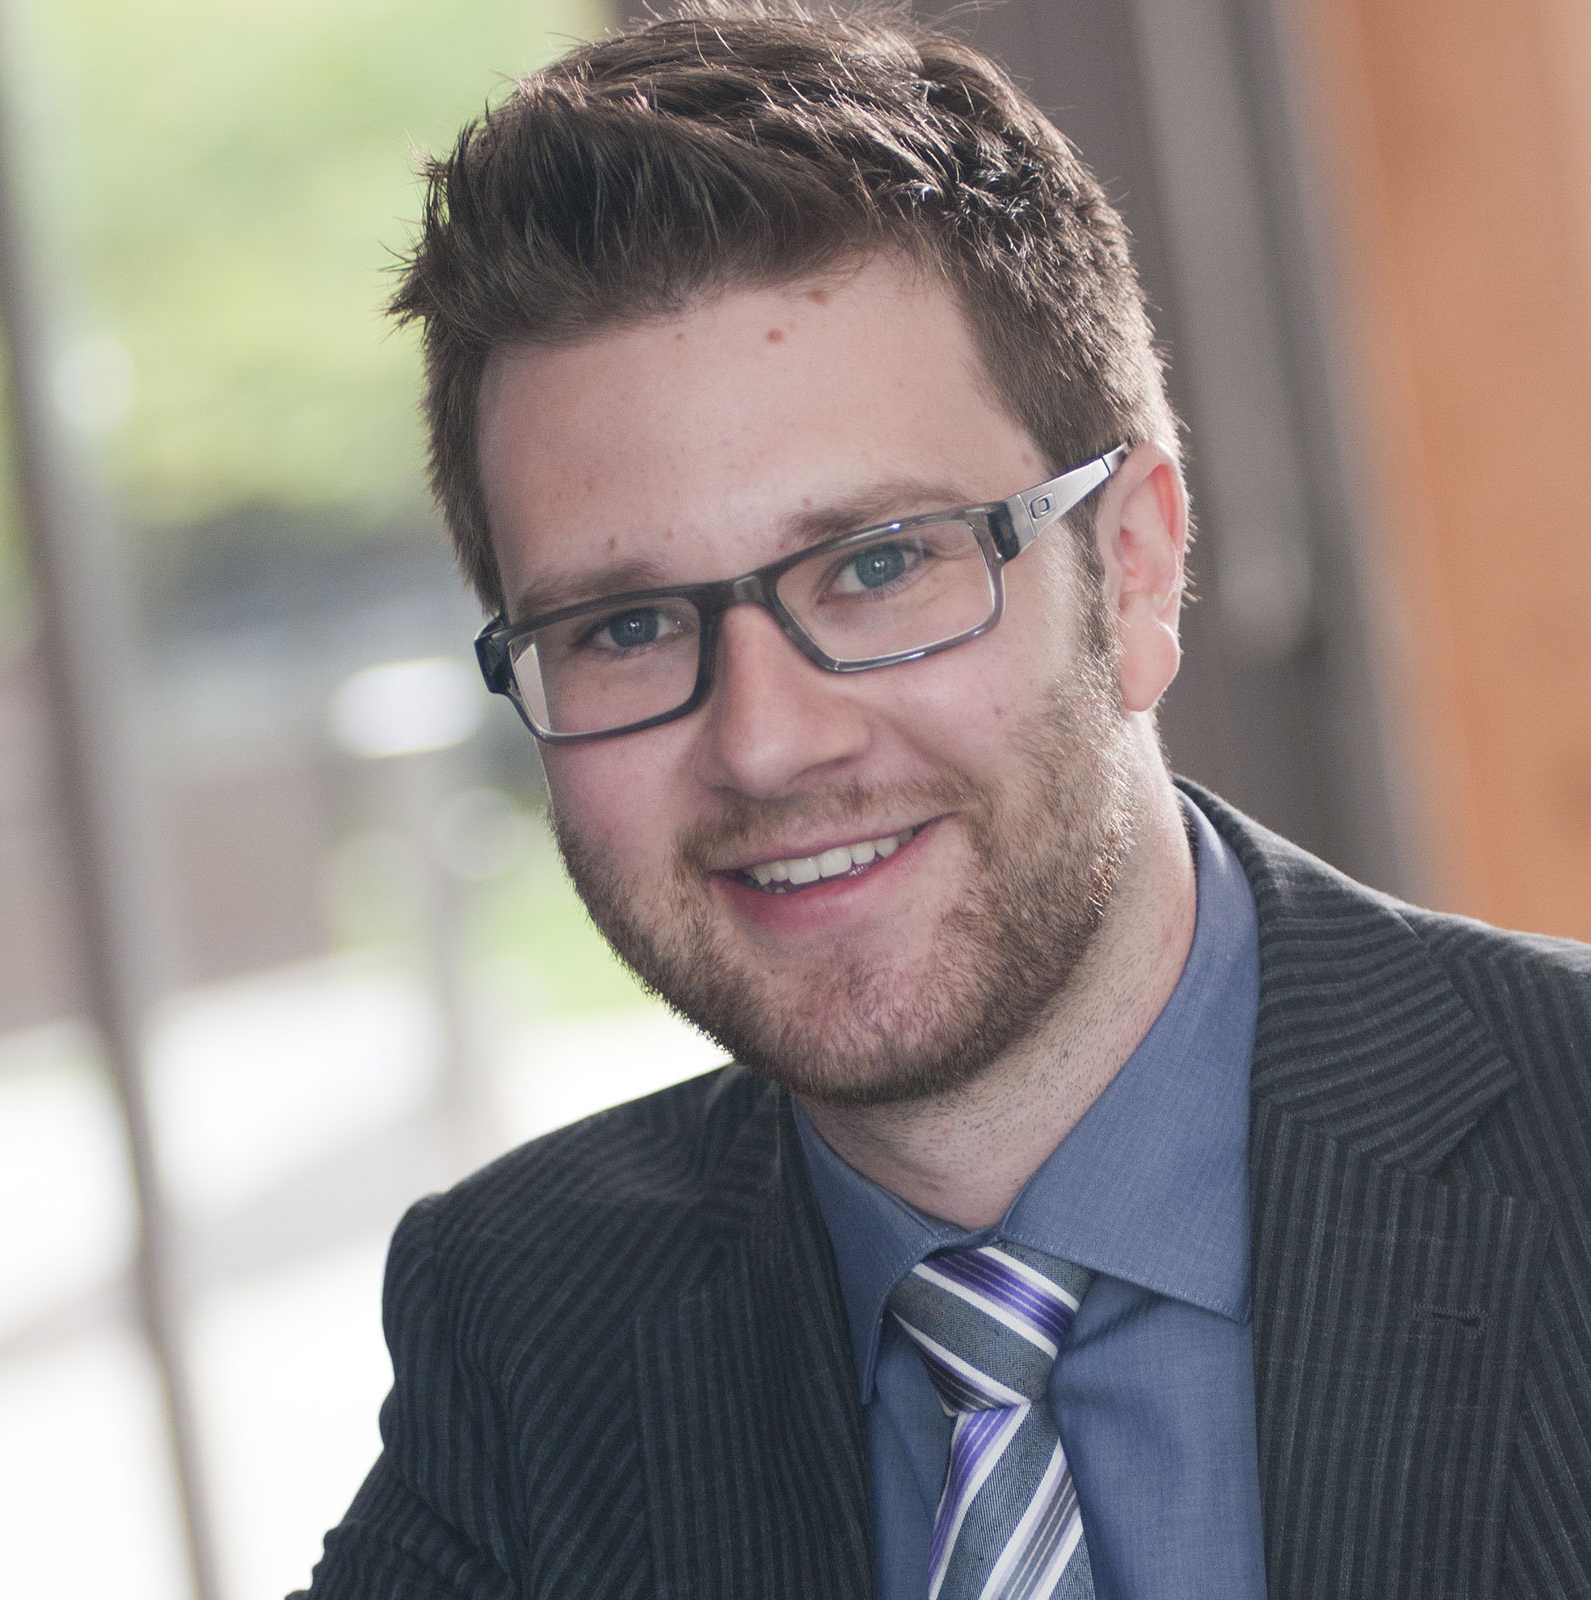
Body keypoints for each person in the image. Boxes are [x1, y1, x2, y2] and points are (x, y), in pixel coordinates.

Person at [299, 4, 1591, 1596]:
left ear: (1135, 566)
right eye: (624, 629)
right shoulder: (528, 1325)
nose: (766, 743)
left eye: (878, 564)